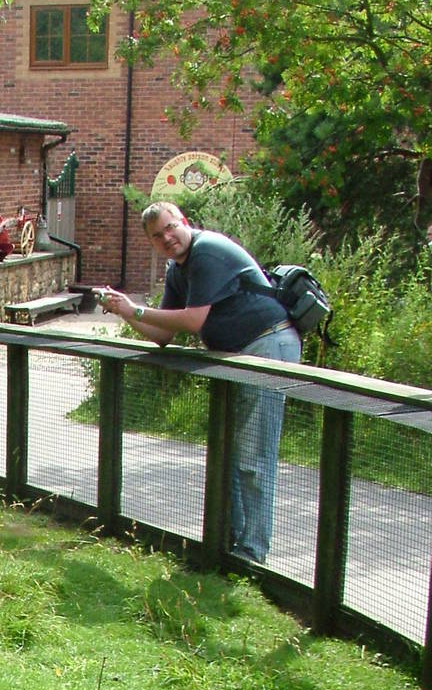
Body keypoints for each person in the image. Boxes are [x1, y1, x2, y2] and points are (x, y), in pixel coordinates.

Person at [98, 201, 301, 564]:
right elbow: (163, 335)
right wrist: (123, 312)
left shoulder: (206, 251)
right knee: (229, 453)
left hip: (268, 345)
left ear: (184, 222)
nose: (167, 238)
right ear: (151, 242)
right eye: (157, 236)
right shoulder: (177, 270)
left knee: (253, 455)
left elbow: (193, 321)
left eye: (170, 227)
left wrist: (135, 309)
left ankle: (252, 554)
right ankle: (229, 544)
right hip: (236, 357)